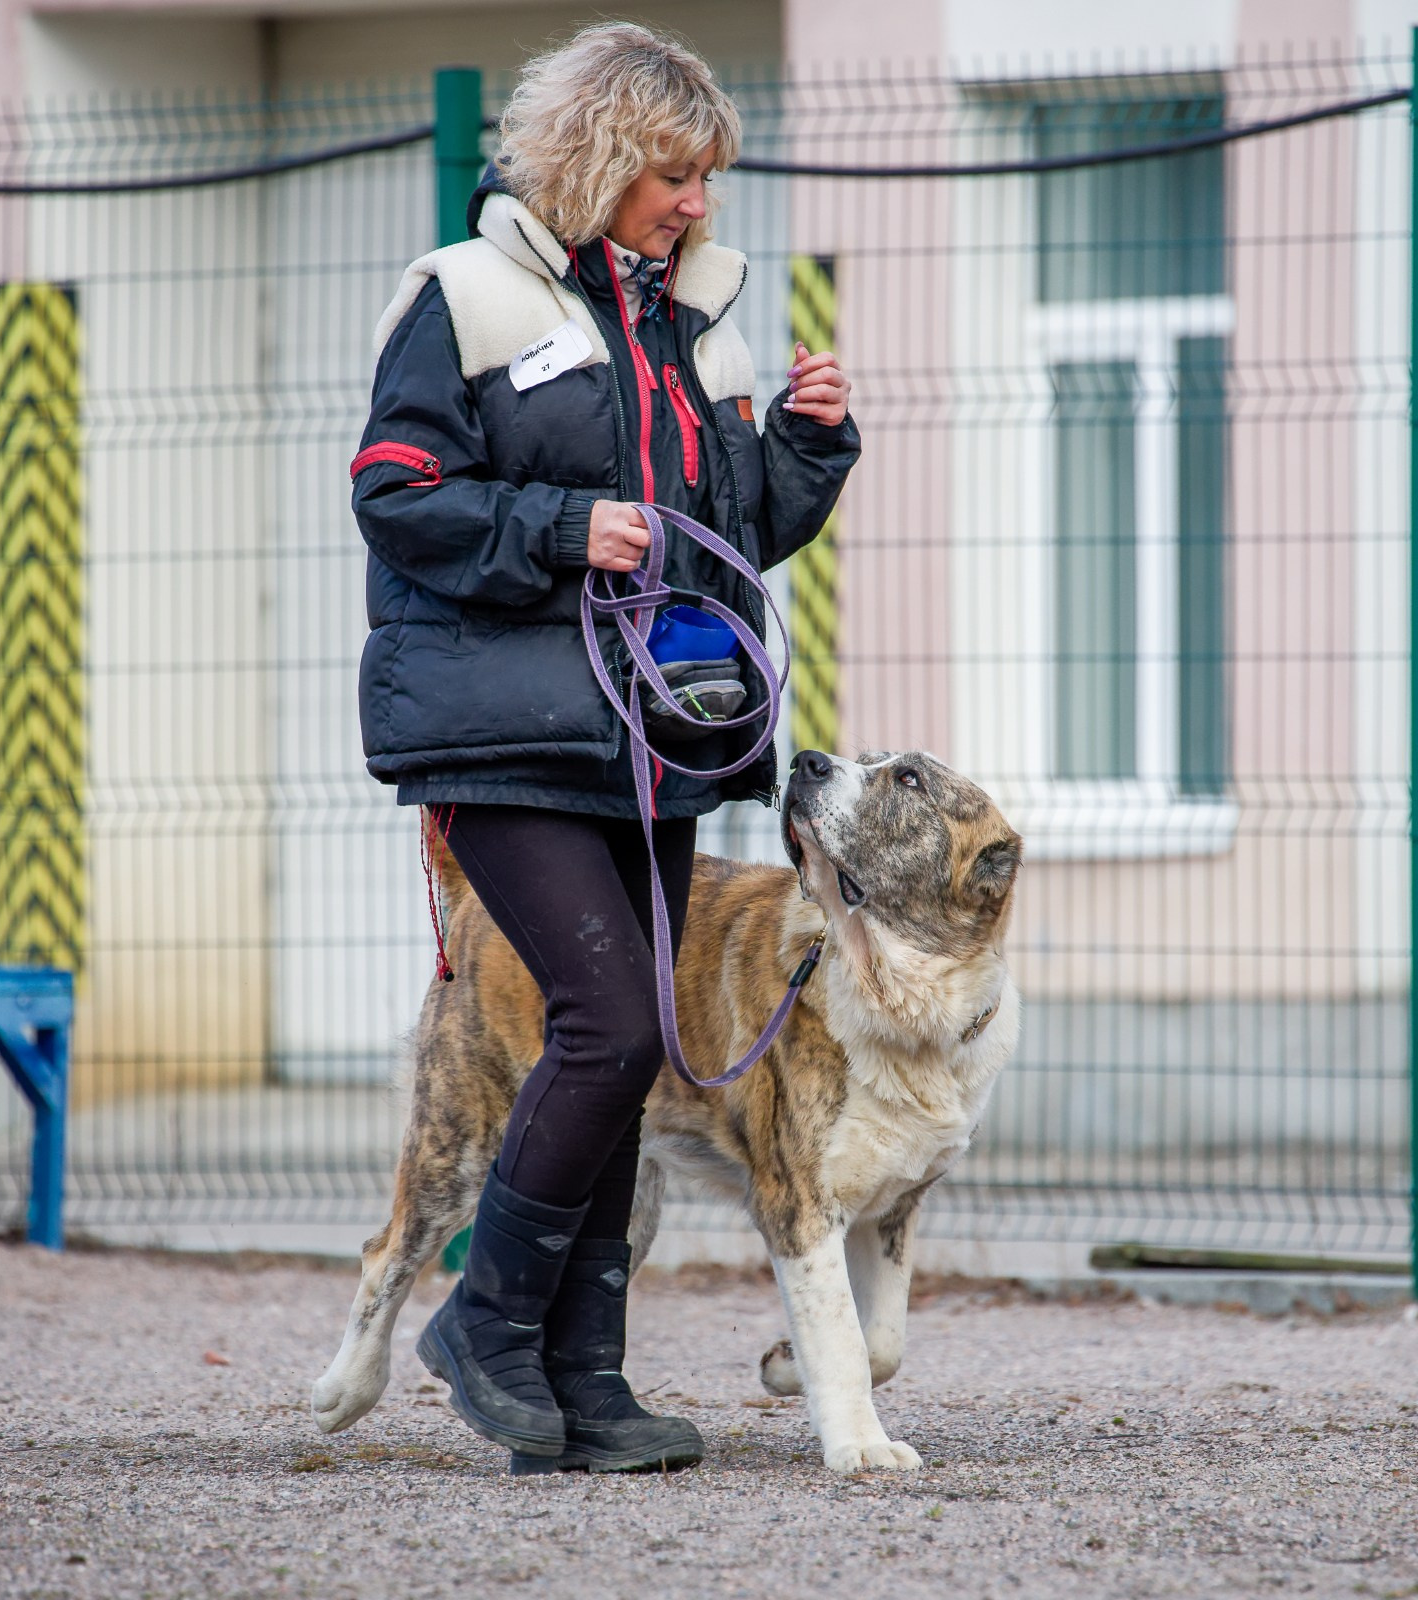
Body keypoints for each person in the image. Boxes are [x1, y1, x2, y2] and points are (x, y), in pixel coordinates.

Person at [348, 22, 858, 1473]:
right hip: (502, 734)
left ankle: (583, 1388)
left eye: (708, 178)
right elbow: (397, 494)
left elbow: (733, 527)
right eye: (675, 174)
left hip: (652, 734)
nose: (701, 203)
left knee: (622, 1049)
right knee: (616, 1023)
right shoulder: (463, 299)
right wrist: (565, 532)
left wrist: (810, 448)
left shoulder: (702, 318)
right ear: (601, 158)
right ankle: (488, 1322)